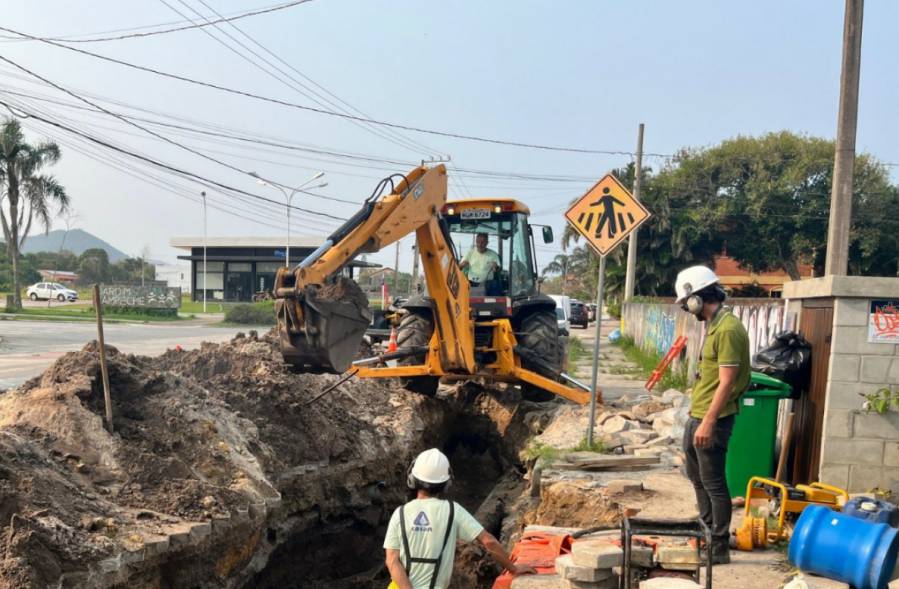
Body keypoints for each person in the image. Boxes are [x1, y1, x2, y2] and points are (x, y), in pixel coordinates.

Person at [674, 266, 750, 565]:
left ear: (697, 298)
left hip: (712, 420)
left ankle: (718, 548)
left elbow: (728, 381)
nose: (686, 308)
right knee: (697, 477)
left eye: (686, 302)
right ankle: (705, 533)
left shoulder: (729, 329)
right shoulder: (715, 325)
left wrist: (707, 422)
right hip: (699, 413)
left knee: (714, 483)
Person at [384, 448, 535, 589]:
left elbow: (392, 560)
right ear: (446, 483)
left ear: (412, 478)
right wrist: (513, 568)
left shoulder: (400, 513)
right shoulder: (452, 510)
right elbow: (488, 541)